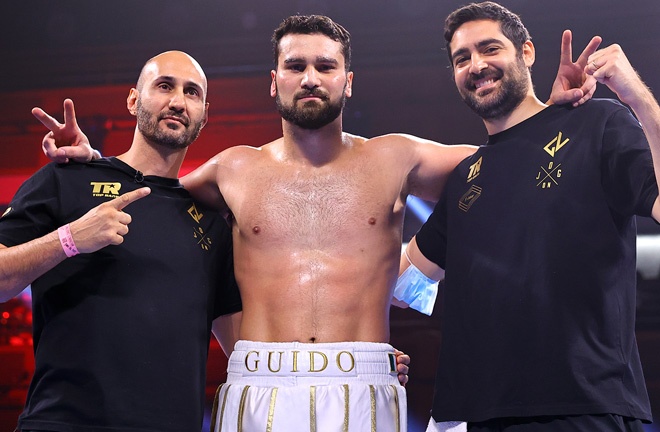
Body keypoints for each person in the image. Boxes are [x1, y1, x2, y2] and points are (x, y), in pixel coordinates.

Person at [38, 15, 592, 432]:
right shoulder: (232, 168)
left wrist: (550, 111)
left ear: (348, 81)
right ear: (272, 81)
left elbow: (503, 161)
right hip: (257, 385)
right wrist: (97, 165)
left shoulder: (397, 157)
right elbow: (153, 191)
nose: (310, 78)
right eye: (296, 66)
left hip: (366, 381)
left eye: (325, 66)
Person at [400, 2, 660, 431]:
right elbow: (403, 282)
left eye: (489, 49)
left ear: (527, 52)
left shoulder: (596, 122)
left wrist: (634, 94)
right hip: (472, 415)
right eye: (461, 58)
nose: (476, 65)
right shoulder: (468, 175)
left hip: (580, 408)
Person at [0, 51, 243, 432]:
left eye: (192, 92)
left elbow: (242, 350)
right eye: (165, 86)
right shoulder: (66, 180)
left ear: (204, 114)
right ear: (133, 100)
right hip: (62, 424)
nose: (178, 101)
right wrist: (69, 240)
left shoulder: (212, 222)